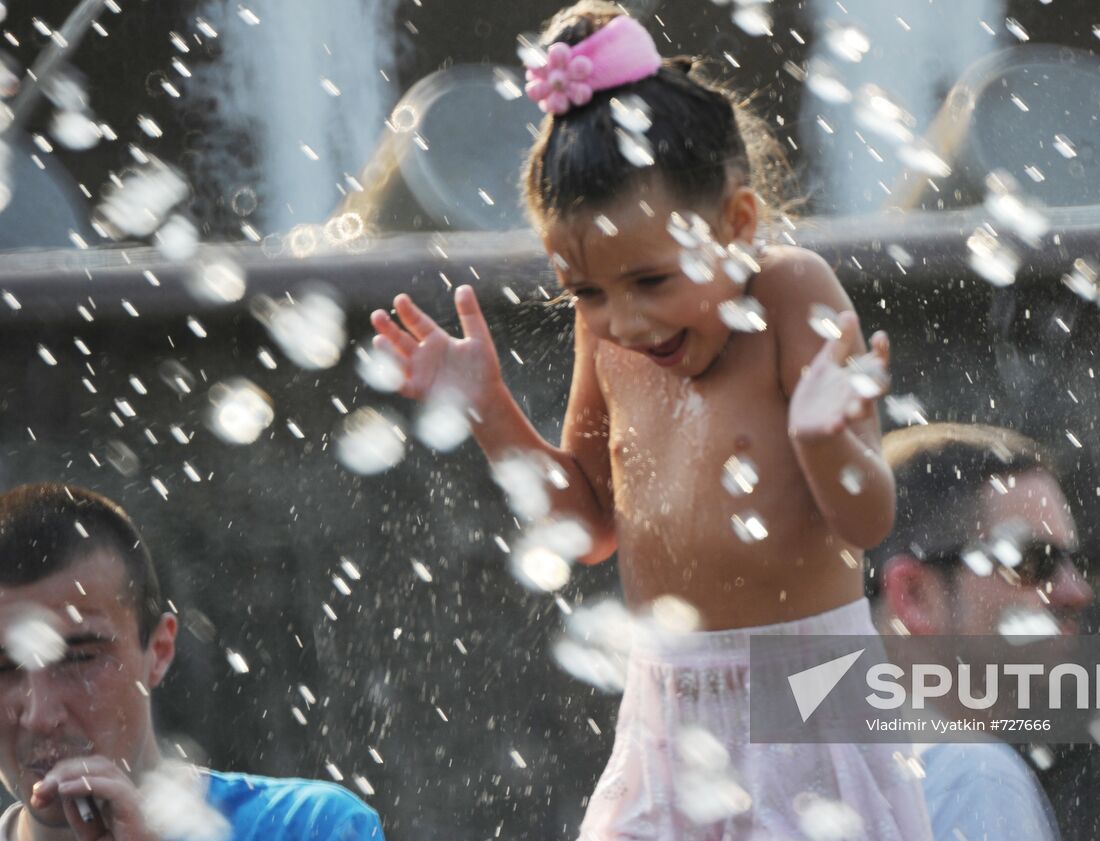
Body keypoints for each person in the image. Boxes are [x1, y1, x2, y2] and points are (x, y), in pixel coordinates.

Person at [369, 2, 932, 838]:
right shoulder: (613, 334)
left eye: (652, 282)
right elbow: (590, 527)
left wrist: (823, 438)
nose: (624, 321)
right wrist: (488, 408)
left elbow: (867, 518)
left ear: (736, 226)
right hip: (665, 714)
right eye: (586, 292)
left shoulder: (790, 293)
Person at [0, 483, 383, 841]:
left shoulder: (308, 827)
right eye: (3, 668)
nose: (39, 715)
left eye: (80, 658)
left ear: (160, 651)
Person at [869, 423, 1095, 841]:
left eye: (1075, 562)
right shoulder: (974, 777)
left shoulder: (811, 767)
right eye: (1033, 562)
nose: (1076, 591)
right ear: (914, 595)